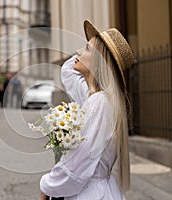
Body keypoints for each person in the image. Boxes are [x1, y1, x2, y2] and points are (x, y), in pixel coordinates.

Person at [39, 20, 134, 200]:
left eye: (87, 49)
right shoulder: (96, 97)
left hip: (90, 193)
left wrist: (47, 186)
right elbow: (68, 71)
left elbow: (79, 162)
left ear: (99, 61)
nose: (78, 52)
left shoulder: (99, 102)